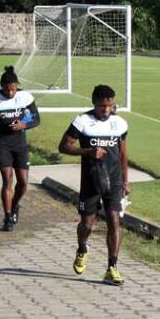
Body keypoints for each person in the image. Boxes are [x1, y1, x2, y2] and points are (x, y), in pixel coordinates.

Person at [60, 85, 130, 284]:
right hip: (92, 180)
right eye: (102, 107)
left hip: (114, 180)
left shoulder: (120, 123)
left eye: (110, 106)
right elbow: (64, 146)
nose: (106, 110)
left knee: (114, 219)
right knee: (87, 223)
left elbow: (123, 153)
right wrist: (89, 152)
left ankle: (112, 267)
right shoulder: (82, 122)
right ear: (94, 103)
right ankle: (82, 248)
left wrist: (125, 181)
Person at [0, 66, 41, 232]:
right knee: (7, 180)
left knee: (23, 182)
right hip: (2, 144)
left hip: (20, 144)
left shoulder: (25, 97)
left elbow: (36, 119)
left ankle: (14, 205)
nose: (11, 92)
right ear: (2, 86)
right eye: (8, 89)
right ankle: (7, 217)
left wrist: (24, 124)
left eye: (13, 89)